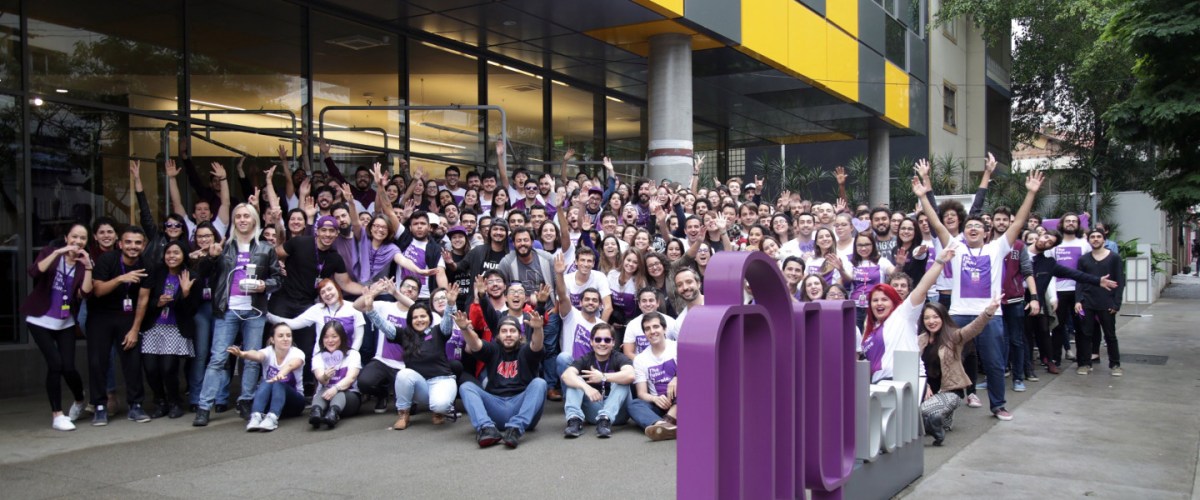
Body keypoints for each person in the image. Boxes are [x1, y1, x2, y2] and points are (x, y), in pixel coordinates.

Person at [914, 168, 1044, 421]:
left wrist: (1031, 193)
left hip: (989, 315)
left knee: (994, 363)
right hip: (958, 314)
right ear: (964, 232)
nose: (973, 228)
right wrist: (923, 196)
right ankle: (940, 403)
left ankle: (998, 405)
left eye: (978, 226)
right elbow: (938, 224)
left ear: (986, 232)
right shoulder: (956, 246)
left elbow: (1017, 223)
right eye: (969, 226)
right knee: (941, 358)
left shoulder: (997, 248)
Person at [193, 204, 283, 427]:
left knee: (251, 360)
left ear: (254, 221)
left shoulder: (265, 248)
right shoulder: (223, 247)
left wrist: (264, 285)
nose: (242, 220)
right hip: (228, 309)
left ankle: (246, 400)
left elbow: (278, 279)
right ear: (234, 221)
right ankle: (204, 406)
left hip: (254, 310)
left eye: (246, 216)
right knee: (218, 359)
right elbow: (202, 275)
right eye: (238, 216)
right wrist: (210, 258)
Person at [22, 223, 92, 430]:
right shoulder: (50, 253)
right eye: (75, 237)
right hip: (39, 320)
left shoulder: (82, 264)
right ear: (66, 238)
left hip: (65, 323)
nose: (78, 241)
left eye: (83, 238)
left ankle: (80, 399)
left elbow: (84, 293)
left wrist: (88, 266)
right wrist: (58, 253)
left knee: (68, 367)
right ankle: (57, 415)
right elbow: (35, 272)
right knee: (55, 364)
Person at [364, 295, 460, 430]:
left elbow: (448, 321)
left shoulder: (438, 331)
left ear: (429, 318)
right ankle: (403, 415)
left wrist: (450, 304)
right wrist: (370, 310)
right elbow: (384, 326)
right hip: (420, 386)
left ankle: (439, 412)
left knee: (440, 405)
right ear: (410, 320)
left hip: (442, 380)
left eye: (423, 316)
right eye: (415, 317)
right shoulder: (404, 335)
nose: (419, 320)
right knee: (404, 374)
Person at [88, 226, 151, 426]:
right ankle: (99, 405)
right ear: (120, 244)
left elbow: (143, 300)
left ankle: (136, 405)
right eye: (129, 242)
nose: (133, 246)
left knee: (132, 361)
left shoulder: (146, 264)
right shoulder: (107, 260)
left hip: (128, 316)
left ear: (144, 245)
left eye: (138, 243)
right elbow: (97, 290)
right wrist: (119, 279)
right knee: (98, 361)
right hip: (101, 316)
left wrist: (134, 329)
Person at [455, 310, 547, 448]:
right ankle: (486, 428)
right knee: (466, 386)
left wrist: (538, 328)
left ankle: (515, 429)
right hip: (496, 406)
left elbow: (537, 345)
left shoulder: (525, 350)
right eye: (504, 331)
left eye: (512, 331)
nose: (508, 334)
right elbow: (475, 344)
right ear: (498, 335)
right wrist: (464, 329)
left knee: (540, 383)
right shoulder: (493, 349)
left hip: (521, 407)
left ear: (520, 335)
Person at [918, 297, 1002, 446]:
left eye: (935, 317)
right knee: (913, 416)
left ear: (943, 317)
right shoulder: (919, 340)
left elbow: (973, 328)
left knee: (925, 411)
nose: (931, 321)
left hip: (950, 392)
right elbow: (913, 365)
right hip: (925, 391)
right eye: (927, 318)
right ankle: (938, 419)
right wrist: (924, 385)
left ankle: (939, 424)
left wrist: (988, 312)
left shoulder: (954, 337)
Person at [128, 241, 197, 419]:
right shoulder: (156, 272)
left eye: (176, 253)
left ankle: (175, 402)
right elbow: (143, 300)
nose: (172, 256)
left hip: (175, 328)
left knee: (168, 368)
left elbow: (191, 310)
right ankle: (160, 401)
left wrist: (186, 293)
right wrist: (157, 303)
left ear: (184, 256)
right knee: (150, 368)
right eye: (168, 253)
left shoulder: (189, 275)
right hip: (153, 327)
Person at [562, 323, 633, 438]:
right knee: (575, 380)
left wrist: (603, 377)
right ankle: (574, 420)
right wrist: (586, 388)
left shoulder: (619, 357)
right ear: (591, 342)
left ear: (613, 342)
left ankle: (606, 418)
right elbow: (566, 375)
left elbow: (630, 375)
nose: (602, 343)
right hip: (595, 409)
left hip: (619, 412)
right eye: (598, 339)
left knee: (623, 380)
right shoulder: (586, 358)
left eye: (607, 340)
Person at [232, 324, 306, 432]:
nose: (285, 339)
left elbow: (292, 364)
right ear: (272, 339)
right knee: (266, 382)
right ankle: (256, 417)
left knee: (278, 383)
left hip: (294, 403)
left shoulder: (297, 353)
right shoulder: (268, 351)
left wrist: (281, 374)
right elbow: (257, 355)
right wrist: (243, 354)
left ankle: (272, 418)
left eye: (288, 336)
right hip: (270, 401)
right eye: (280, 336)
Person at [1075, 229, 1126, 376]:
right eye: (1092, 237)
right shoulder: (1083, 259)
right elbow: (1079, 281)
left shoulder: (1114, 258)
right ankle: (1085, 364)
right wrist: (1078, 300)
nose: (1095, 239)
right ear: (1089, 240)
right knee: (1086, 334)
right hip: (1087, 302)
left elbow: (1120, 282)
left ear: (1104, 240)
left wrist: (1117, 303)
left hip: (1107, 302)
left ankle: (1115, 365)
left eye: (1099, 237)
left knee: (1110, 335)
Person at [553, 253, 606, 394]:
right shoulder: (571, 315)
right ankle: (570, 400)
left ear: (600, 305)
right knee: (563, 357)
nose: (590, 302)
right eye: (587, 299)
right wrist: (559, 274)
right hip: (571, 370)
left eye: (594, 300)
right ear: (580, 302)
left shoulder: (602, 326)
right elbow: (563, 296)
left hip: (590, 371)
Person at [268, 279, 365, 352]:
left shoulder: (354, 307)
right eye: (323, 292)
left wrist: (352, 355)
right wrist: (267, 316)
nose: (327, 294)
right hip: (322, 359)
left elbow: (358, 337)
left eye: (330, 289)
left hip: (348, 357)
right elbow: (293, 324)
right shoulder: (318, 309)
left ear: (338, 289)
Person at [628, 312, 678, 441]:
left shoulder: (678, 346)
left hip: (682, 399)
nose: (652, 331)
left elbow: (695, 371)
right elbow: (641, 393)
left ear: (664, 329)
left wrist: (678, 377)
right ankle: (662, 425)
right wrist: (655, 399)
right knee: (634, 404)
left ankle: (668, 422)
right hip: (661, 404)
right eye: (647, 329)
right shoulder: (640, 359)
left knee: (688, 387)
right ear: (644, 333)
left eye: (656, 327)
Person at [308, 321, 362, 429]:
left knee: (339, 392)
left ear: (341, 337)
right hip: (326, 395)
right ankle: (316, 412)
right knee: (323, 391)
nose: (330, 340)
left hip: (349, 396)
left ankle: (333, 414)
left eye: (334, 336)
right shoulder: (318, 357)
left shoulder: (353, 354)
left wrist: (336, 388)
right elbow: (320, 378)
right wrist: (325, 377)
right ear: (322, 340)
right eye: (326, 337)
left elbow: (351, 378)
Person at [622, 287, 681, 356]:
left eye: (651, 300)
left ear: (658, 303)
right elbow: (628, 352)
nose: (648, 304)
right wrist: (644, 364)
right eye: (644, 301)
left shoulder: (671, 322)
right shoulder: (632, 325)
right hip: (641, 364)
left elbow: (681, 346)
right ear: (639, 304)